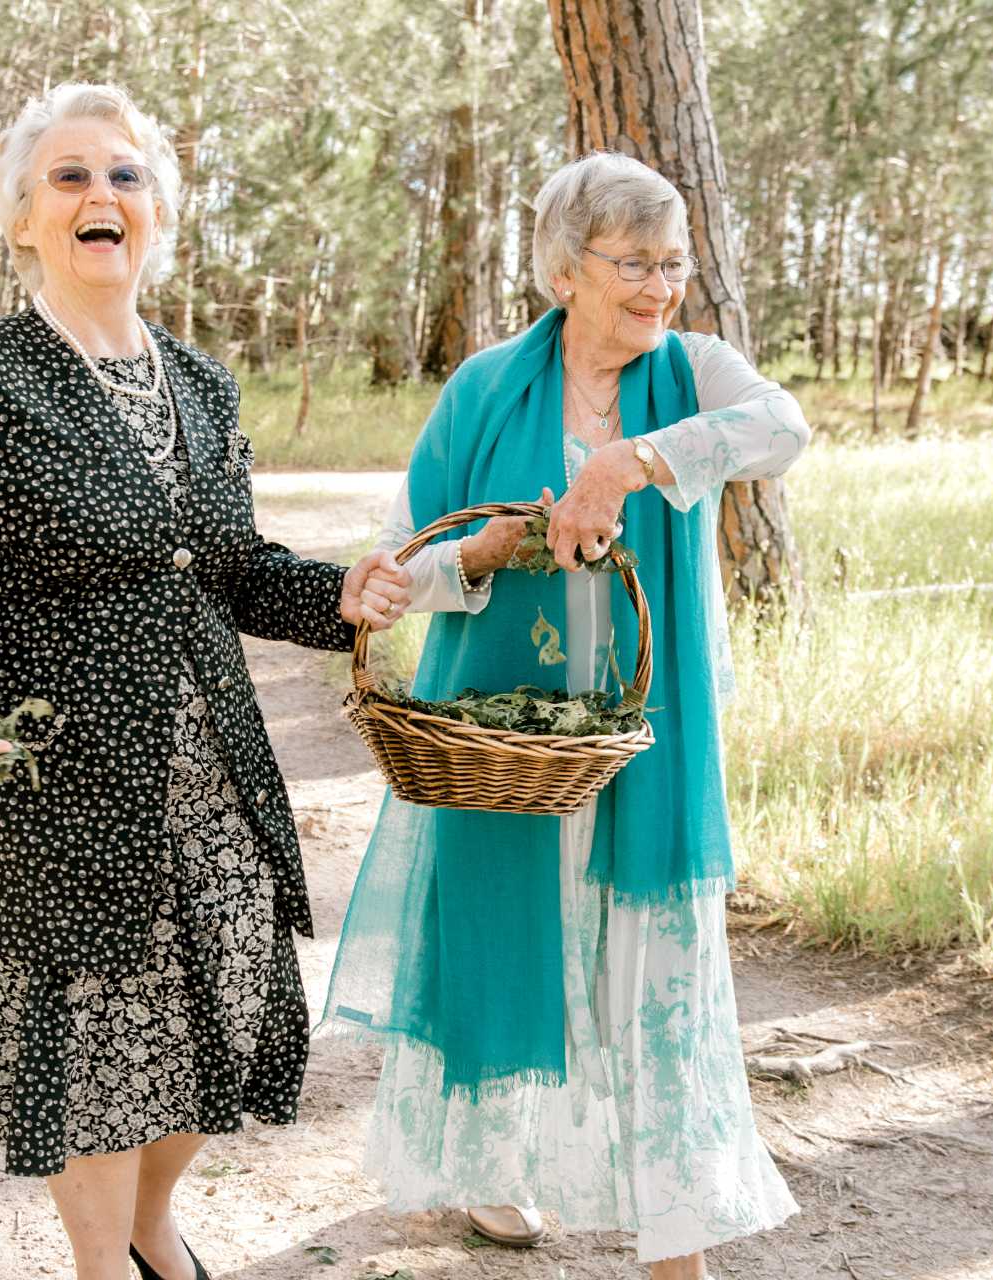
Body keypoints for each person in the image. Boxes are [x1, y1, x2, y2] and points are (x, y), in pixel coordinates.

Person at [0, 82, 410, 1280]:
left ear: (157, 212)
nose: (102, 193)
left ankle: (152, 1223)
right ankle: (110, 1264)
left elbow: (231, 567)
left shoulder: (201, 382)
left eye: (125, 174)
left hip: (209, 780)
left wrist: (341, 593)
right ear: (24, 220)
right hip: (52, 787)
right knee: (94, 1050)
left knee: (222, 1012)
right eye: (70, 175)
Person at [322, 152, 809, 1277]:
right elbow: (405, 555)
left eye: (673, 262)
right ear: (565, 271)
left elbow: (784, 429)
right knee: (505, 933)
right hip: (502, 737)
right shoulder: (484, 388)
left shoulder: (696, 370)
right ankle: (496, 1163)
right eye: (632, 263)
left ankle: (675, 1237)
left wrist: (636, 460)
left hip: (648, 728)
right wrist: (480, 554)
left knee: (650, 959)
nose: (659, 286)